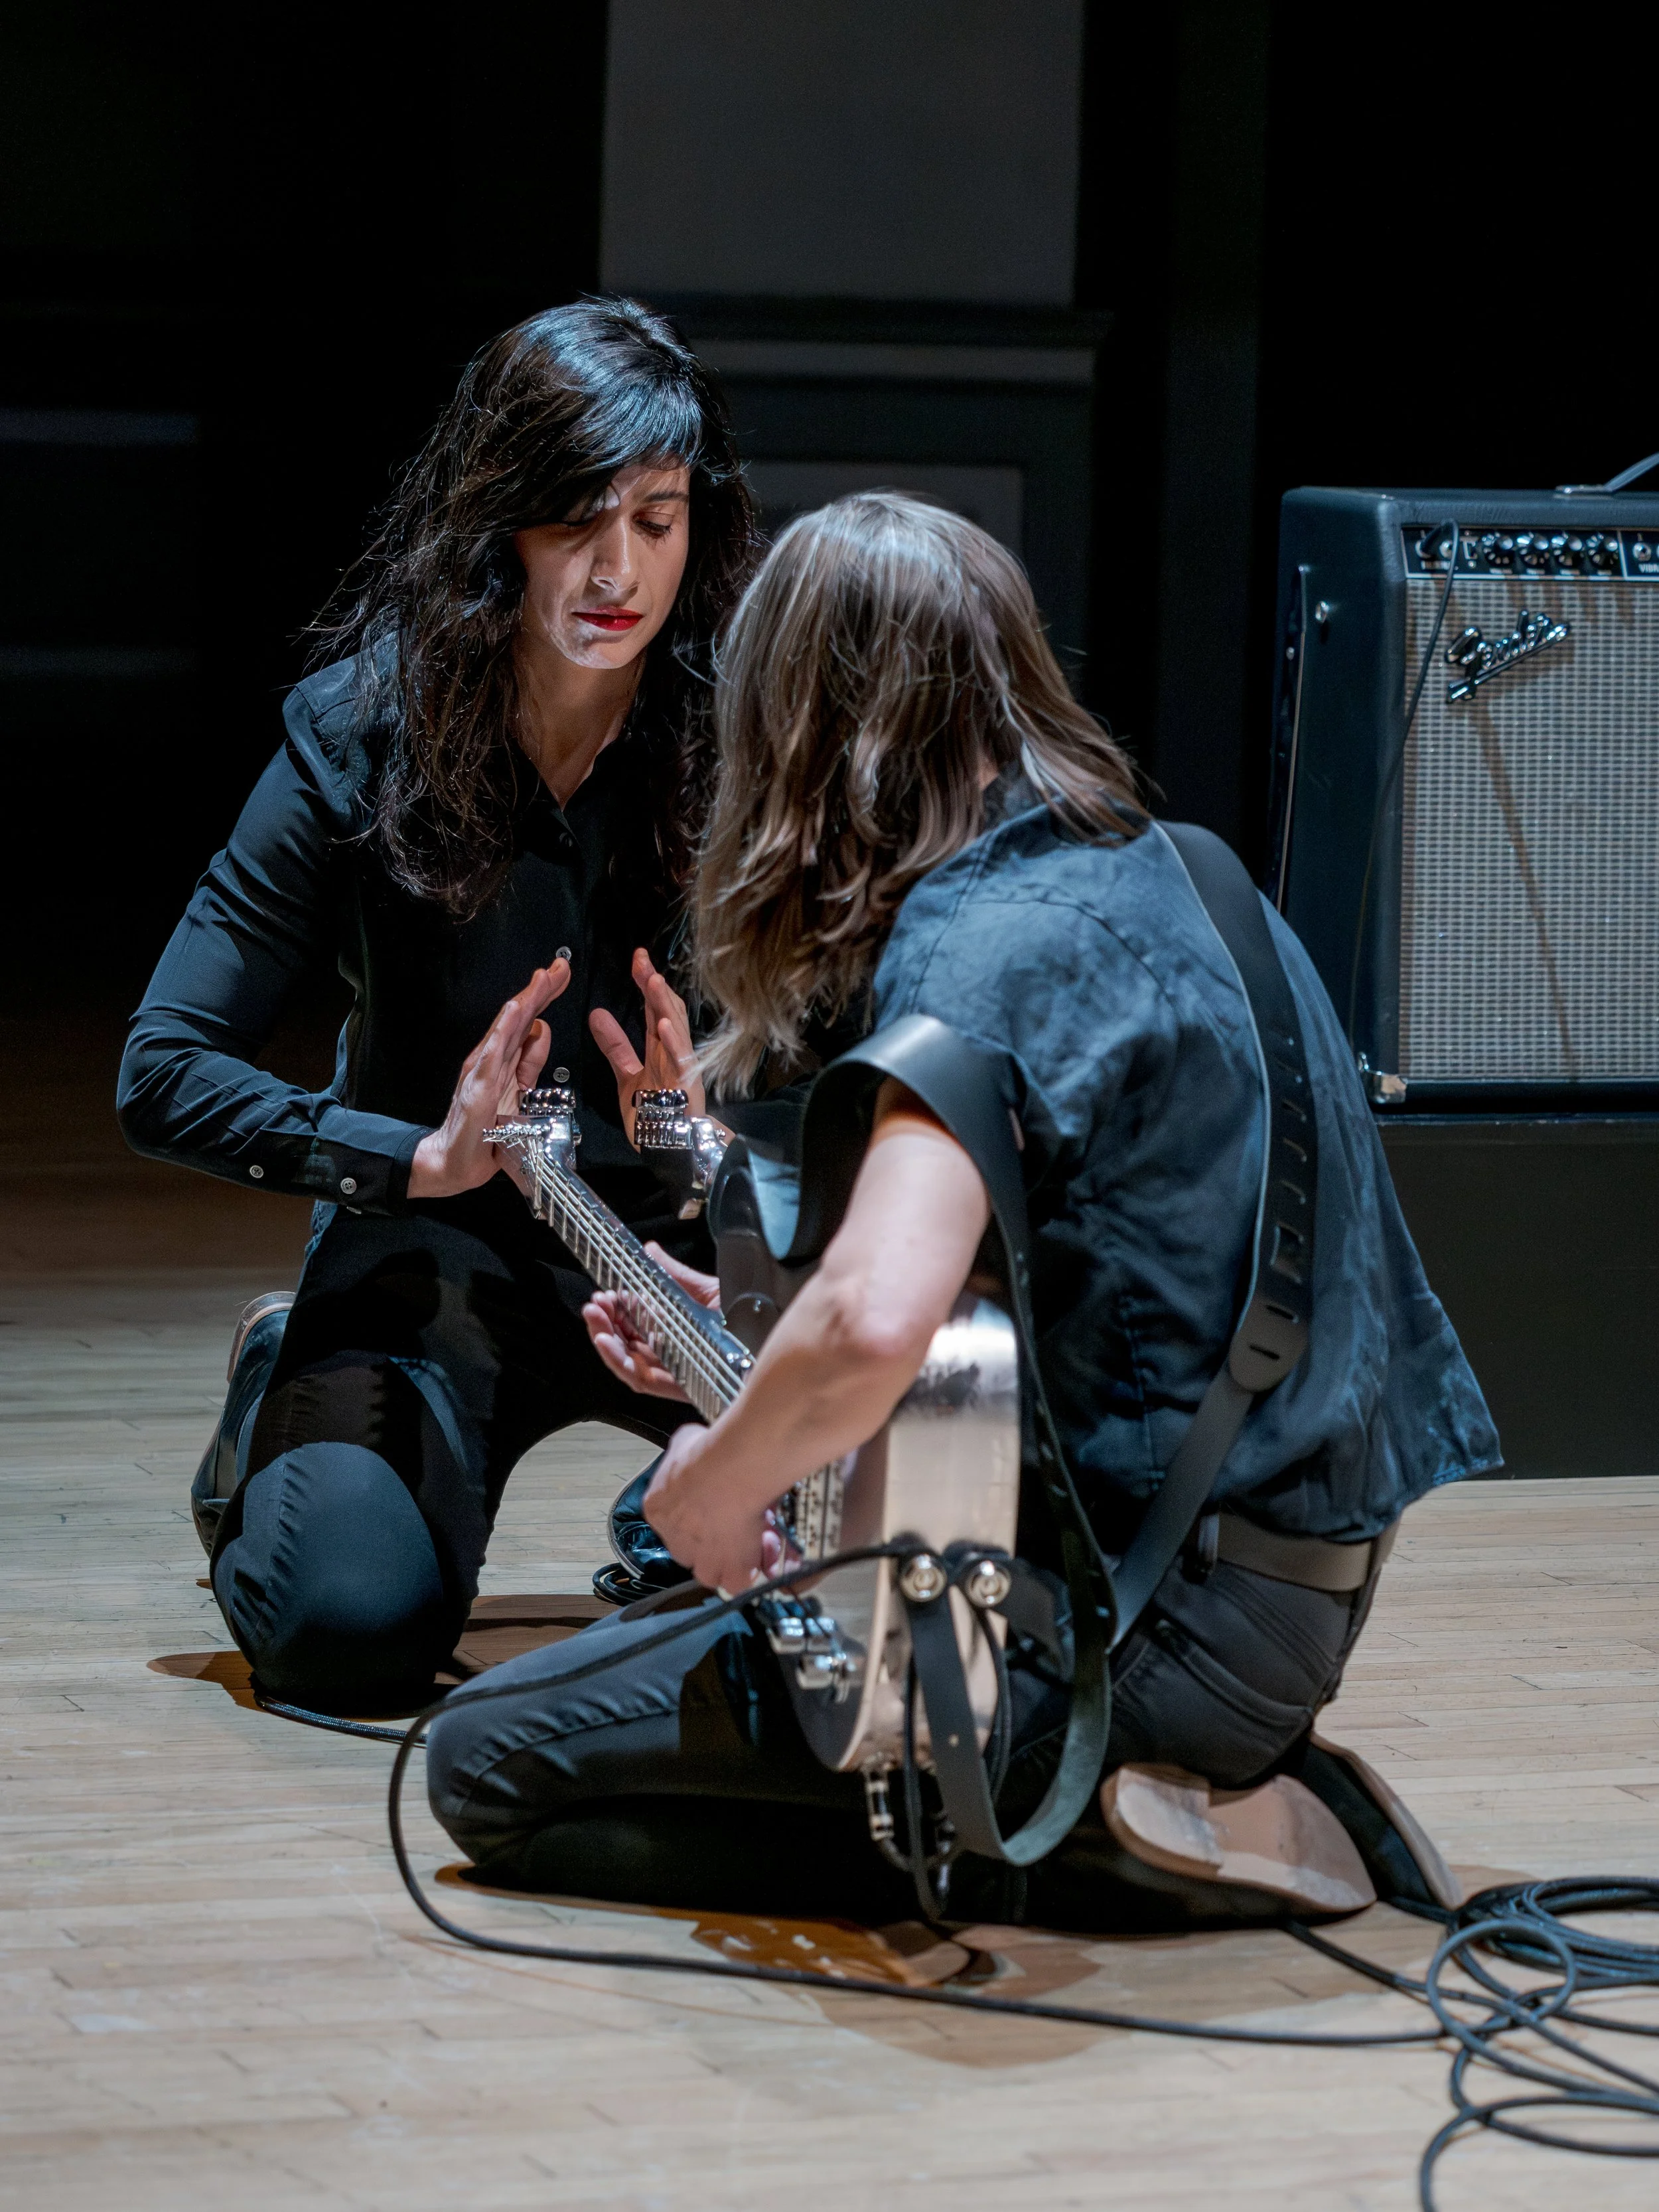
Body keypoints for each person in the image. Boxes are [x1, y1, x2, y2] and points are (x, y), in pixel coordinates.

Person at [424, 492, 1500, 1927]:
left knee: (485, 1758)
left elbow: (875, 1325)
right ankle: (1190, 1785)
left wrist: (722, 1480)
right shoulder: (1176, 870)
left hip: (1130, 1631)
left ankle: (1099, 1834)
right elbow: (1035, 1306)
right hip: (1288, 1604)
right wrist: (749, 1336)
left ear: (800, 729)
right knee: (674, 1610)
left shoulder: (978, 947)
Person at [116, 297, 757, 1715]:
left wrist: (711, 1146)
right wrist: (413, 1157)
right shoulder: (360, 730)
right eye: (573, 519)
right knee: (345, 1633)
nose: (616, 569)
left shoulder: (739, 745)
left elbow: (862, 1083)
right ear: (497, 524)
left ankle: (671, 1505)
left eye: (656, 520)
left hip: (674, 1274)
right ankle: (280, 1395)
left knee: (865, 1552)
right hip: (434, 1251)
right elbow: (162, 1066)